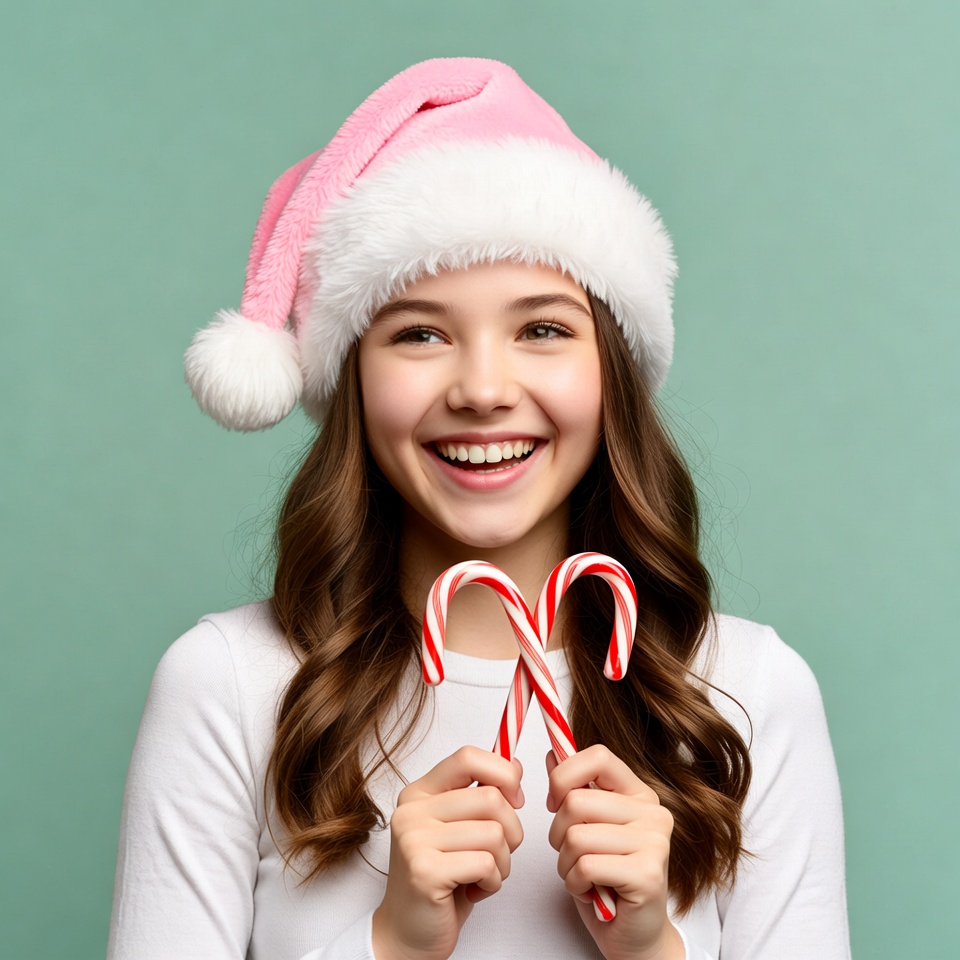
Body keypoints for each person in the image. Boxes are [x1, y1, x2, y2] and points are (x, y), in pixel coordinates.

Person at [107, 59, 850, 960]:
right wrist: (392, 944)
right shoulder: (229, 686)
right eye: (419, 332)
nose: (484, 390)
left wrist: (652, 946)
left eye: (542, 328)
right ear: (350, 378)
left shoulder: (749, 693)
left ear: (611, 370)